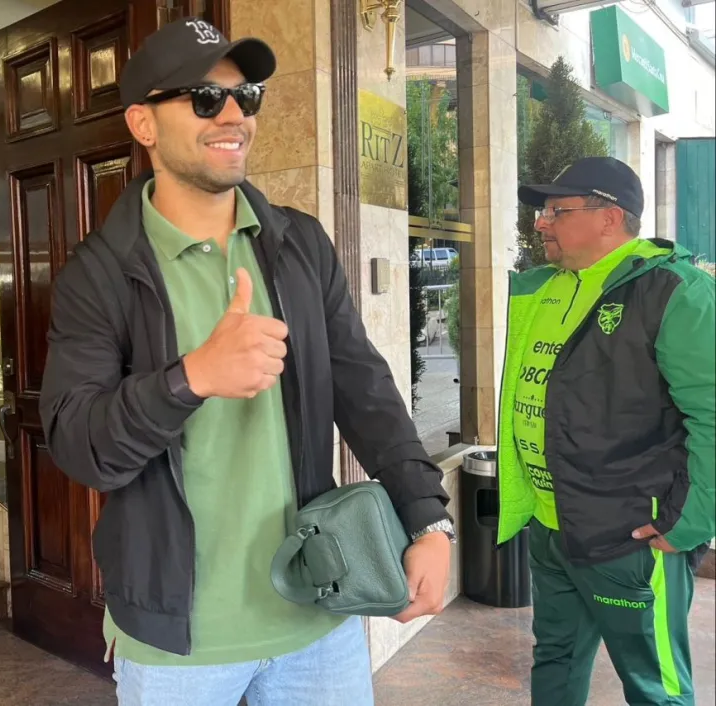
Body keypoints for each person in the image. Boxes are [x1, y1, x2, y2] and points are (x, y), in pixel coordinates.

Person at [39, 18, 454, 706]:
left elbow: (367, 391)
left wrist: (428, 519)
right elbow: (79, 446)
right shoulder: (99, 274)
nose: (233, 115)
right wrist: (190, 378)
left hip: (319, 612)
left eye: (246, 96)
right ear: (143, 124)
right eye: (205, 98)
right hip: (179, 643)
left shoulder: (299, 245)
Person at [501, 156, 716, 706]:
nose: (541, 223)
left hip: (630, 534)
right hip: (551, 525)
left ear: (610, 218)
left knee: (654, 686)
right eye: (544, 212)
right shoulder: (545, 288)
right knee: (555, 657)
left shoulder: (674, 290)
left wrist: (690, 523)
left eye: (557, 210)